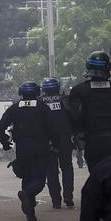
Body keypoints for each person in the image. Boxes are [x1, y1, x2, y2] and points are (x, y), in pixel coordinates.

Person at [0, 82, 57, 221]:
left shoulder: (15, 108)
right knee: (39, 180)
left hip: (22, 149)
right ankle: (27, 194)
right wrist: (56, 144)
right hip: (40, 147)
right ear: (37, 92)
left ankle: (30, 214)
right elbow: (53, 128)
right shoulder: (42, 107)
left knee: (27, 178)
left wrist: (5, 142)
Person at [68, 51, 111, 170]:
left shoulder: (79, 90)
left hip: (92, 142)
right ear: (107, 68)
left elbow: (74, 118)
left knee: (96, 179)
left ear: (88, 67)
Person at [41, 77, 76, 208]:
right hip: (64, 139)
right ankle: (68, 196)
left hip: (48, 141)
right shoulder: (65, 100)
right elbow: (74, 118)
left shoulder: (40, 103)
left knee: (51, 170)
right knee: (67, 167)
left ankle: (56, 200)